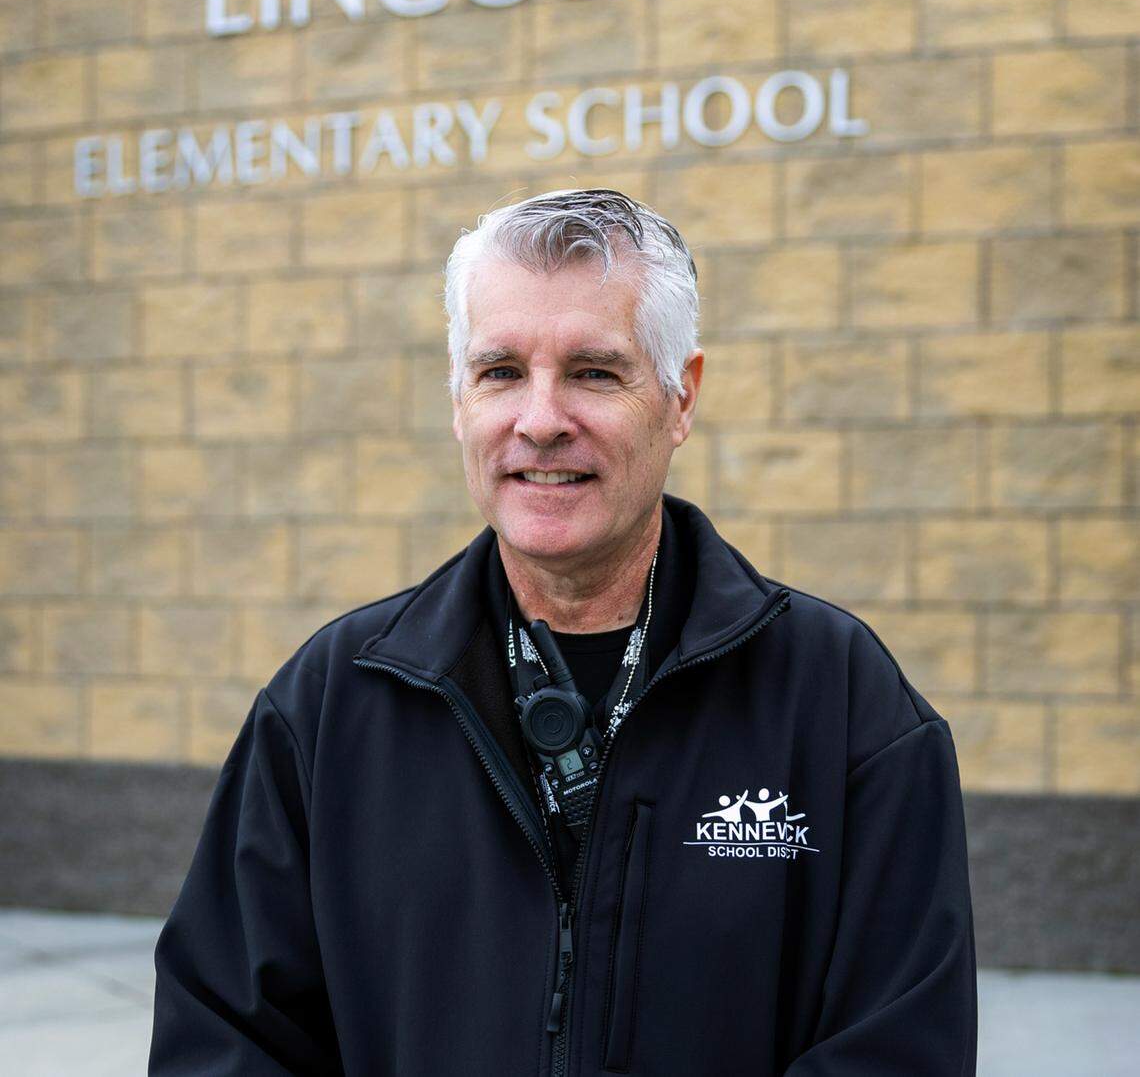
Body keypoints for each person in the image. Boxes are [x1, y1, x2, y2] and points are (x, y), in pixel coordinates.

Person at [149, 188, 977, 1075]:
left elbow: (897, 1052)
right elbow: (226, 1041)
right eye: (500, 371)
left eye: (593, 371)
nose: (540, 421)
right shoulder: (328, 705)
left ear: (681, 397)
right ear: (459, 400)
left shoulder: (846, 706)